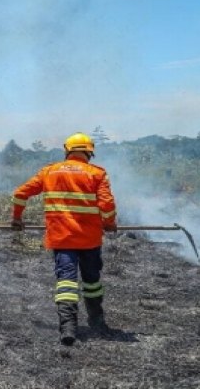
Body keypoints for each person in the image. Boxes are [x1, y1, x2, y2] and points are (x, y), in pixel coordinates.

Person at [11, 132, 117, 345]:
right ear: (89, 152)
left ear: (67, 151)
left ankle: (68, 328)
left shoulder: (49, 171)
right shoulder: (97, 173)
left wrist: (17, 218)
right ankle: (97, 322)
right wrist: (109, 223)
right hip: (89, 240)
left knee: (66, 282)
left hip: (62, 238)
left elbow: (20, 194)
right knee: (92, 282)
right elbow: (106, 205)